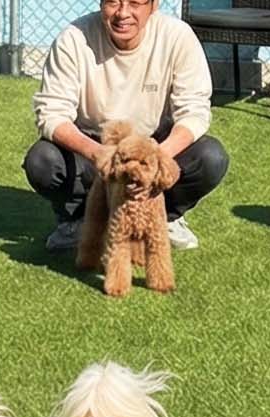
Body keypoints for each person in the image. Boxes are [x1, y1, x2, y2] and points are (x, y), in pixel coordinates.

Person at [23, 0, 229, 253]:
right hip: (95, 144)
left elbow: (194, 112)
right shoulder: (73, 38)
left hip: (152, 143)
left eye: (135, 3)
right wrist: (98, 153)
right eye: (113, 2)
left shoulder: (177, 36)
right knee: (42, 160)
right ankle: (77, 219)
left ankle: (166, 218)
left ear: (154, 5)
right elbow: (52, 113)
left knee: (210, 157)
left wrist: (158, 157)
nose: (123, 13)